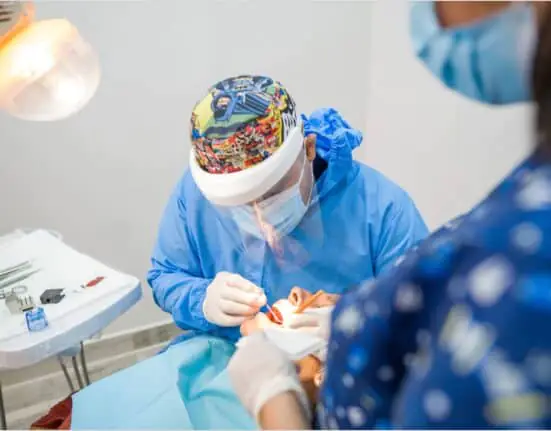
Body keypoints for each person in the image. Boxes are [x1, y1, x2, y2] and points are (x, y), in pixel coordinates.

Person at [227, 3, 551, 429]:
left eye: (269, 192)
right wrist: (347, 313)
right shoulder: (523, 208)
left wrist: (275, 398)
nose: (298, 292)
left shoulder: (389, 211)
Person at [147, 75, 428, 343]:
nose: (261, 222)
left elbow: (425, 315)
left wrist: (359, 324)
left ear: (308, 148)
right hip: (224, 355)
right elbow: (165, 276)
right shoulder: (195, 192)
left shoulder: (384, 210)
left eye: (272, 194)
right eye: (240, 205)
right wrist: (202, 300)